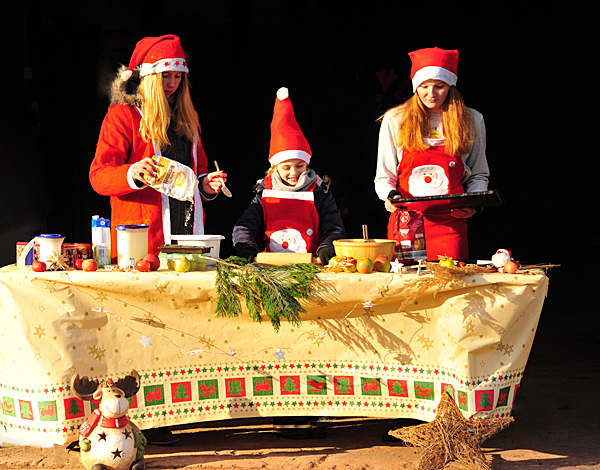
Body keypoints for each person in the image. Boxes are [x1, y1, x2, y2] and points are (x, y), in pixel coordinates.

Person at [90, 34, 226, 262]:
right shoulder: (123, 116)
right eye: (165, 76)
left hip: (188, 237)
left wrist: (205, 184)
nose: (172, 84)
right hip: (143, 243)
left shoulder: (187, 117)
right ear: (149, 77)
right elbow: (98, 176)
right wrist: (132, 172)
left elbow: (198, 169)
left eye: (177, 76)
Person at [374, 47, 489, 261]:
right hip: (407, 224)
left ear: (450, 86)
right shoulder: (395, 120)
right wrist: (390, 196)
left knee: (450, 287)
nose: (431, 94)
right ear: (415, 86)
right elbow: (384, 177)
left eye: (439, 86)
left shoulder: (471, 120)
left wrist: (473, 202)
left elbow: (478, 174)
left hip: (450, 222)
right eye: (424, 86)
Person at [232, 87, 346, 267]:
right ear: (275, 167)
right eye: (286, 167)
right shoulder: (265, 190)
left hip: (312, 266)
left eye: (299, 166)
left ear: (307, 164)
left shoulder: (319, 190)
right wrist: (246, 246)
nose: (294, 173)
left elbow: (335, 227)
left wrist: (327, 246)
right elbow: (244, 226)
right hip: (273, 267)